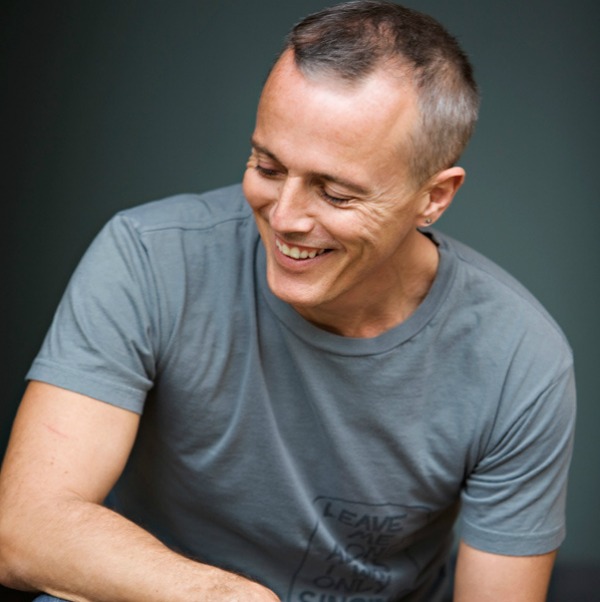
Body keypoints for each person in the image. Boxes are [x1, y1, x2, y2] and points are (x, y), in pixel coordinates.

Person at [0, 1, 575, 600]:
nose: (285, 218)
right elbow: (24, 529)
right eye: (267, 167)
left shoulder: (518, 358)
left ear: (434, 197)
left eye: (336, 193)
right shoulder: (147, 256)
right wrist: (228, 598)